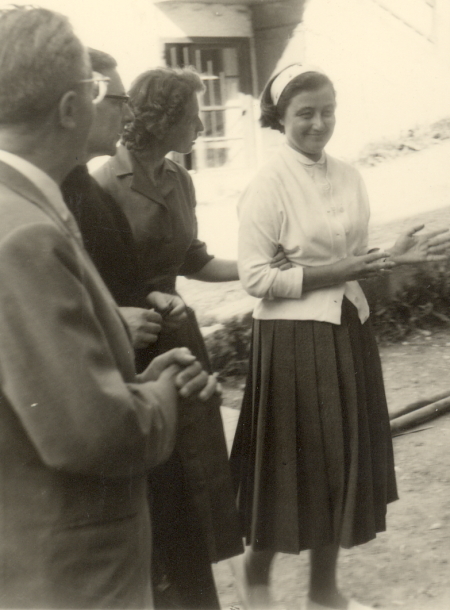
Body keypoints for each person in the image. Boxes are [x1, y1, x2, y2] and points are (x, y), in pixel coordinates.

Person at [0, 7, 218, 609]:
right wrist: (165, 389)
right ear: (70, 109)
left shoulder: (25, 206)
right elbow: (94, 435)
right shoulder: (22, 235)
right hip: (75, 575)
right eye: (98, 94)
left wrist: (137, 381)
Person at [229, 64, 450, 610]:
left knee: (339, 464)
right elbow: (256, 278)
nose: (319, 123)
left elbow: (353, 260)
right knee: (292, 469)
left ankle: (323, 592)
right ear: (279, 118)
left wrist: (390, 258)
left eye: (328, 110)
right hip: (290, 343)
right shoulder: (267, 185)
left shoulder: (350, 176)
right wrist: (341, 268)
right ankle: (254, 575)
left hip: (346, 331)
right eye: (305, 113)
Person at [62, 48, 170, 350]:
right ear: (77, 104)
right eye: (119, 101)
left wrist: (149, 297)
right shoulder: (37, 197)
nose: (130, 115)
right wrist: (114, 328)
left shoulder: (91, 191)